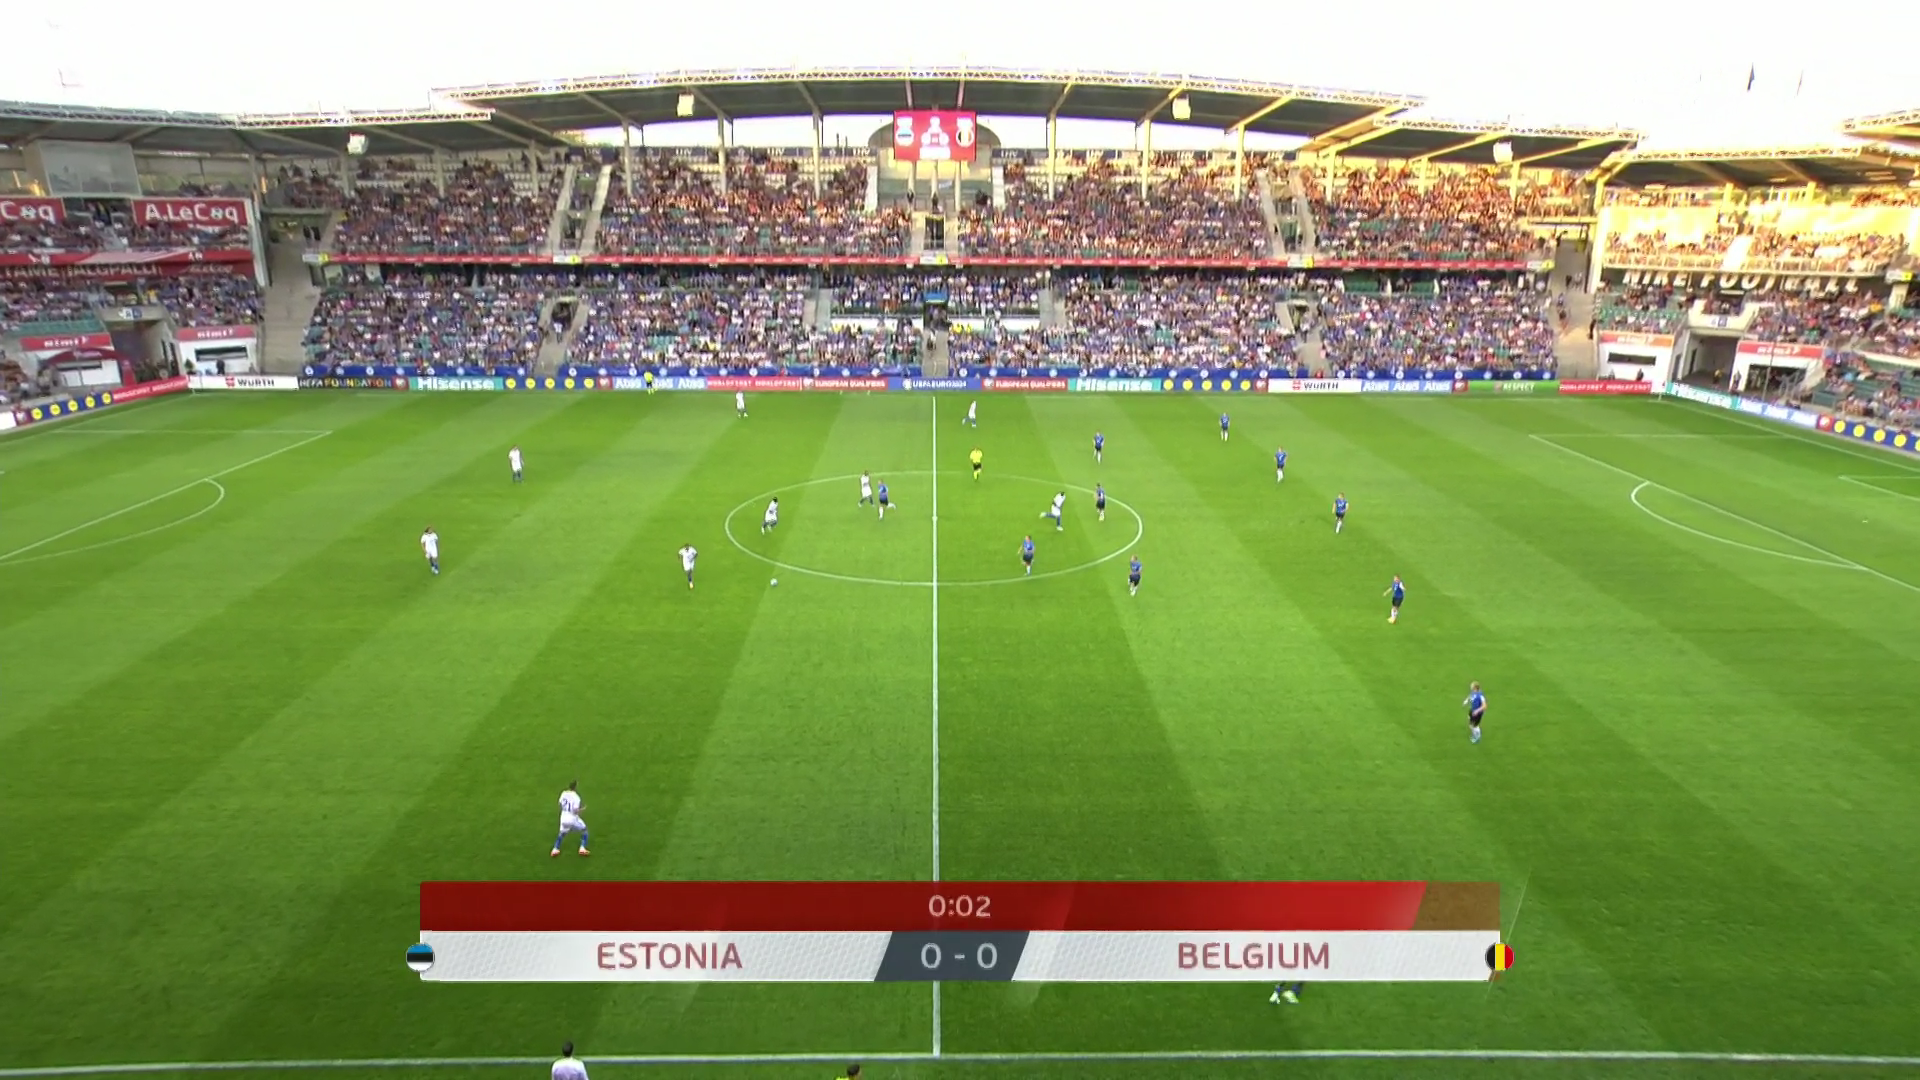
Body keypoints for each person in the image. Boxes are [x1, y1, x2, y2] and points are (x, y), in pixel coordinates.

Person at [551, 781, 590, 858]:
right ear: (575, 787)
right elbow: (575, 810)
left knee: (562, 833)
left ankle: (555, 849)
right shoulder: (576, 797)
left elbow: (560, 803)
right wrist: (582, 809)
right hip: (572, 818)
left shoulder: (563, 793)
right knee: (584, 830)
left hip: (563, 817)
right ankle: (582, 848)